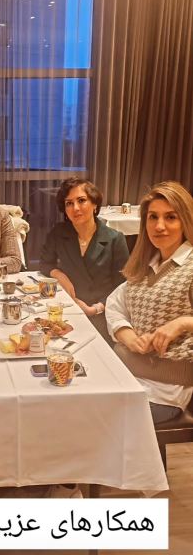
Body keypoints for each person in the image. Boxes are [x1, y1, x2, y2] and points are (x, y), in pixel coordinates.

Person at [106, 181, 193, 424]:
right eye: (153, 217)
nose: (159, 226)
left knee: (88, 416)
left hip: (164, 392)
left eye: (170, 217)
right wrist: (128, 336)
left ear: (185, 221)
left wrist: (183, 323)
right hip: (128, 374)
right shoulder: (146, 265)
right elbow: (115, 305)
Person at [40, 177, 129, 343]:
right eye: (69, 203)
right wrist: (58, 274)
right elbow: (45, 263)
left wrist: (96, 308)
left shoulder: (115, 239)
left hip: (102, 313)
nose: (75, 208)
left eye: (81, 201)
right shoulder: (59, 232)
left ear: (95, 204)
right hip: (66, 308)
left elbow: (122, 286)